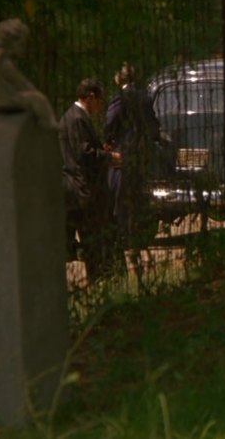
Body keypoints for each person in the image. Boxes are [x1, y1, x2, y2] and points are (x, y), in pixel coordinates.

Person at [104, 63, 163, 285]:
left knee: (120, 199)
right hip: (142, 156)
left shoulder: (119, 98)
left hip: (124, 155)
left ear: (119, 78)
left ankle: (125, 242)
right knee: (138, 199)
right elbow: (153, 126)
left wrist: (110, 140)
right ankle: (139, 240)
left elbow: (110, 124)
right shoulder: (145, 97)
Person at [59, 78, 121, 282]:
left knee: (92, 240)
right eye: (100, 101)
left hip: (76, 186)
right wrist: (110, 158)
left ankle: (100, 279)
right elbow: (84, 154)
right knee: (94, 240)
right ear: (91, 97)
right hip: (84, 188)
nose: (101, 106)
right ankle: (99, 281)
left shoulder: (71, 117)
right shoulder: (77, 118)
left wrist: (100, 150)